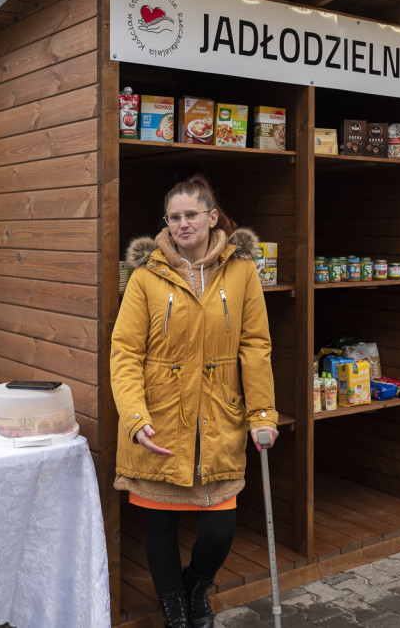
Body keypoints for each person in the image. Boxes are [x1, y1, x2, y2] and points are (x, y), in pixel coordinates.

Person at [111, 175, 279, 628]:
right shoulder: (146, 274)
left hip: (219, 418)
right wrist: (134, 416)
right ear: (165, 222)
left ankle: (196, 587)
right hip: (160, 418)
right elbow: (125, 351)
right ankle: (175, 611)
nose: (183, 223)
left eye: (191, 214)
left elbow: (255, 346)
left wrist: (262, 414)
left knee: (219, 528)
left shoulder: (242, 271)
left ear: (211, 217)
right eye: (174, 216)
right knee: (160, 526)